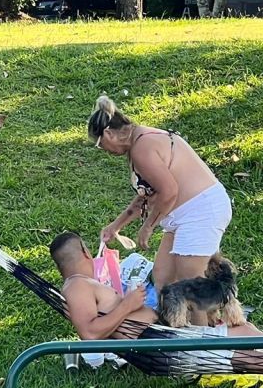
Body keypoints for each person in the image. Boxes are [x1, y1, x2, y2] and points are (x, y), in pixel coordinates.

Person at [49, 231, 263, 349]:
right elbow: (90, 335)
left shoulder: (81, 287)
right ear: (88, 254)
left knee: (248, 332)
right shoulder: (77, 287)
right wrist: (128, 305)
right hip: (166, 342)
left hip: (162, 334)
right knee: (248, 337)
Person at [88, 95, 232, 295]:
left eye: (100, 145)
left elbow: (169, 191)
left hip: (200, 211)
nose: (105, 151)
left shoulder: (142, 148)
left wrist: (148, 228)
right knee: (163, 277)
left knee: (189, 280)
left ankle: (202, 325)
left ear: (109, 134)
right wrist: (116, 226)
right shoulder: (139, 140)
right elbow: (148, 194)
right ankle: (173, 321)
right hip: (181, 216)